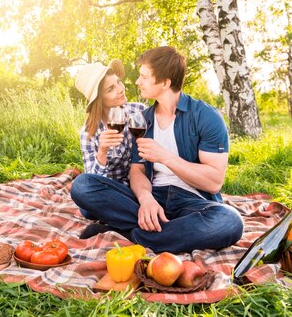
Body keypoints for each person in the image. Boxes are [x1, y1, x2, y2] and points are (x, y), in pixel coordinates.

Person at [71, 46, 243, 253]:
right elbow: (138, 169)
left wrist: (166, 157)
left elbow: (214, 182)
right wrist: (146, 200)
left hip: (191, 201)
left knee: (230, 221)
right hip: (151, 195)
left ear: (165, 83)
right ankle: (169, 232)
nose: (135, 82)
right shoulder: (143, 119)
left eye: (143, 77)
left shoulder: (206, 117)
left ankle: (129, 233)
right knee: (82, 185)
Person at [74, 59, 147, 186]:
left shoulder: (139, 111)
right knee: (80, 185)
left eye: (119, 82)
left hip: (143, 186)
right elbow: (92, 182)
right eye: (110, 89)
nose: (120, 89)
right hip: (113, 190)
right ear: (99, 100)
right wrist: (102, 151)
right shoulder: (88, 132)